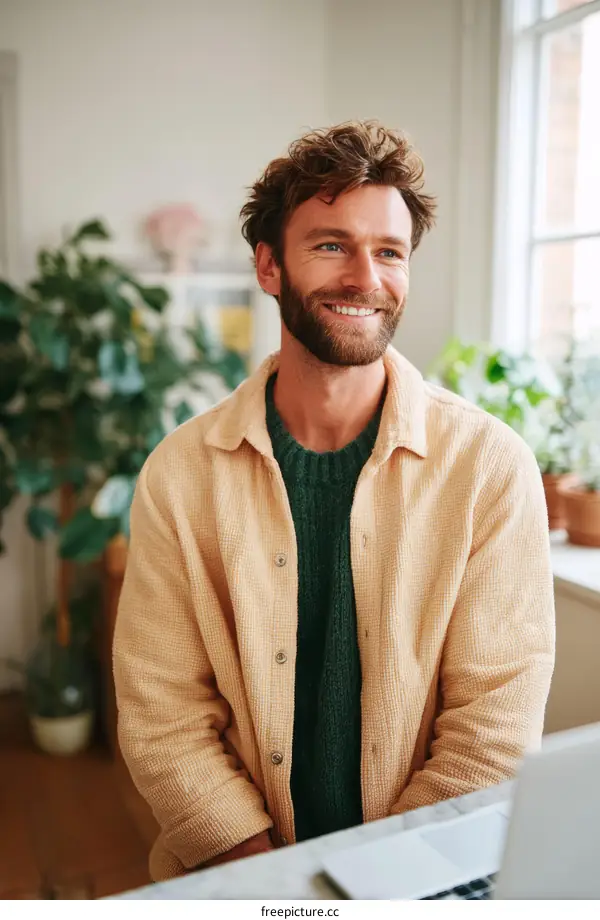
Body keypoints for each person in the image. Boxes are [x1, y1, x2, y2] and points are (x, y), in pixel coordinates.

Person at [113, 121, 555, 882]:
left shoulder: (489, 467)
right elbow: (163, 714)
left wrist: (379, 886)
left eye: (390, 252)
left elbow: (494, 729)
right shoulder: (180, 475)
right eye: (330, 245)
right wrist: (276, 884)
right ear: (269, 265)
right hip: (233, 878)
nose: (364, 278)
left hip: (426, 879)